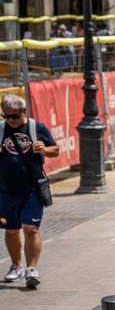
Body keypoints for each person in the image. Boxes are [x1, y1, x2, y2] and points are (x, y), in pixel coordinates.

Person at [0, 95, 58, 288]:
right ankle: (16, 266)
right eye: (6, 116)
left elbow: (55, 150)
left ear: (24, 112)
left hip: (32, 188)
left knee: (31, 228)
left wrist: (44, 149)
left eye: (14, 117)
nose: (10, 121)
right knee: (11, 231)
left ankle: (31, 268)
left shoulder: (36, 128)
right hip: (6, 190)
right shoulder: (1, 129)